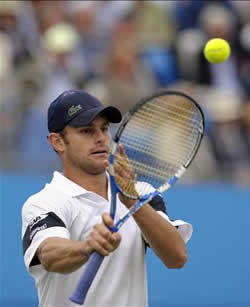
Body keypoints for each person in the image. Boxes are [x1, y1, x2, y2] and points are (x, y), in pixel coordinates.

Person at [21, 89, 193, 307]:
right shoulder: (44, 202)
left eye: (104, 129)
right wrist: (86, 247)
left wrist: (132, 201)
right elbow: (49, 255)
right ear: (57, 142)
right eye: (86, 131)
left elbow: (177, 257)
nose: (100, 138)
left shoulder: (141, 192)